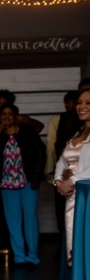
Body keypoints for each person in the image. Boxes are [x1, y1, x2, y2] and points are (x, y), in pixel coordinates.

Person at [0, 89, 43, 250]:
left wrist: (18, 119)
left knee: (27, 215)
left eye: (4, 105)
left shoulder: (21, 127)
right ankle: (5, 248)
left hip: (24, 178)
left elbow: (38, 140)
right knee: (3, 212)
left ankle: (27, 251)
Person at [0, 103, 45, 267]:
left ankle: (32, 255)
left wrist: (36, 178)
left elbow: (40, 152)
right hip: (6, 183)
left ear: (15, 116)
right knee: (13, 220)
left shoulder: (27, 131)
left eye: (10, 114)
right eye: (3, 114)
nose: (6, 117)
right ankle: (19, 255)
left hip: (28, 182)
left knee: (30, 218)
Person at [54, 88, 90, 265]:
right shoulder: (77, 132)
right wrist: (59, 180)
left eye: (88, 103)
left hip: (86, 195)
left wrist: (71, 181)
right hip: (72, 196)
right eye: (79, 102)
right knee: (73, 246)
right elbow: (62, 160)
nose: (81, 106)